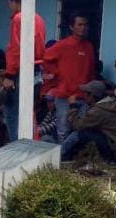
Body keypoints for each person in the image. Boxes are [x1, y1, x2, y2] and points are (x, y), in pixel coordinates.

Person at [41, 11, 95, 143]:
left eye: (85, 25)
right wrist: (58, 73)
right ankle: (62, 160)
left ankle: (74, 159)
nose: (83, 27)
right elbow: (44, 58)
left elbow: (91, 71)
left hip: (83, 96)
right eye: (80, 24)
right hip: (65, 95)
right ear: (72, 27)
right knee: (63, 131)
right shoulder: (63, 44)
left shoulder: (89, 47)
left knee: (81, 131)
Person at [2, 0, 47, 141]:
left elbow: (16, 48)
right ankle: (30, 147)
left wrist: (9, 75)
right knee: (29, 113)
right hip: (36, 69)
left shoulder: (18, 18)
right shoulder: (38, 18)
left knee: (13, 113)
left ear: (12, 2)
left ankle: (17, 149)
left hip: (21, 70)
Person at [61, 80, 116, 162]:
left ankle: (60, 156)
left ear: (92, 95)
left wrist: (73, 106)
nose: (84, 96)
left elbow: (77, 126)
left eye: (86, 93)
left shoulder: (98, 111)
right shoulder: (110, 102)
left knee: (78, 134)